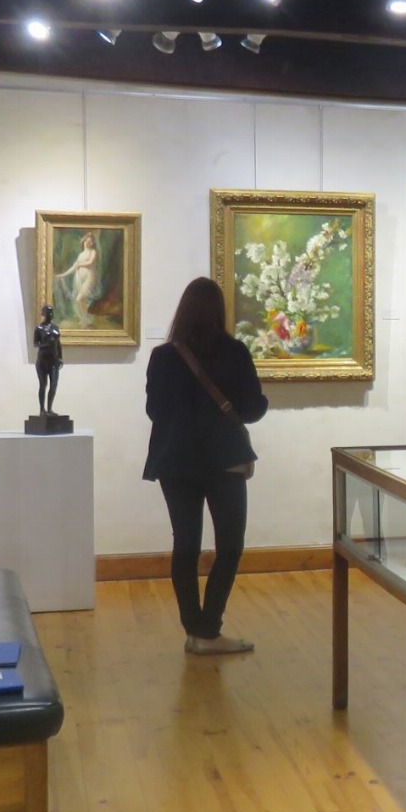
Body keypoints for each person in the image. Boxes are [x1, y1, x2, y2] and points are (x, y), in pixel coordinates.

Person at [144, 277, 268, 656]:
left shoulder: (163, 356)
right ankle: (208, 629)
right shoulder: (235, 352)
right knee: (229, 545)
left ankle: (194, 628)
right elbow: (253, 408)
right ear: (219, 310)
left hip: (175, 461)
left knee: (185, 545)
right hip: (224, 460)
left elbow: (154, 410)